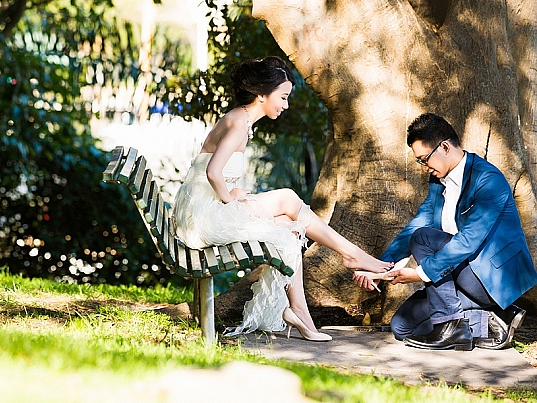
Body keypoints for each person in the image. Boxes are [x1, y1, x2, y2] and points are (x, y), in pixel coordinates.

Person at [172, 56, 392, 341]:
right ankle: (351, 255)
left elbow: (214, 173)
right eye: (283, 97)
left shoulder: (240, 120)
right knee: (288, 200)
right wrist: (230, 199)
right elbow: (213, 172)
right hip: (202, 217)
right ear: (262, 94)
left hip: (203, 211)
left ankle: (299, 311)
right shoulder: (238, 124)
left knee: (290, 229)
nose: (286, 105)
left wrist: (231, 195)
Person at [354, 113, 537, 350]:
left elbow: (468, 240)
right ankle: (493, 320)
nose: (423, 168)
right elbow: (418, 223)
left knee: (423, 239)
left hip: (492, 277)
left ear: (444, 147)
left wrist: (420, 274)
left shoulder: (488, 179)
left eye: (424, 159)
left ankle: (451, 324)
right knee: (402, 326)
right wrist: (381, 268)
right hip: (456, 273)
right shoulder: (437, 181)